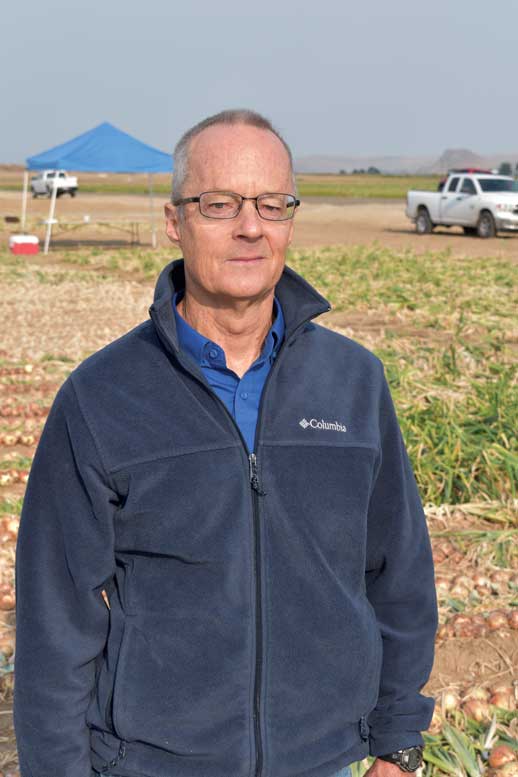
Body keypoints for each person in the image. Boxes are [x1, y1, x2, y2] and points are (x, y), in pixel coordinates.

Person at [13, 109, 438, 777]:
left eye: (272, 203)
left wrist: (399, 745)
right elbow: (53, 624)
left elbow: (402, 578)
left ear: (290, 219)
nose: (250, 226)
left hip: (326, 762)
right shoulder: (101, 398)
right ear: (174, 221)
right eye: (220, 203)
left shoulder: (353, 384)